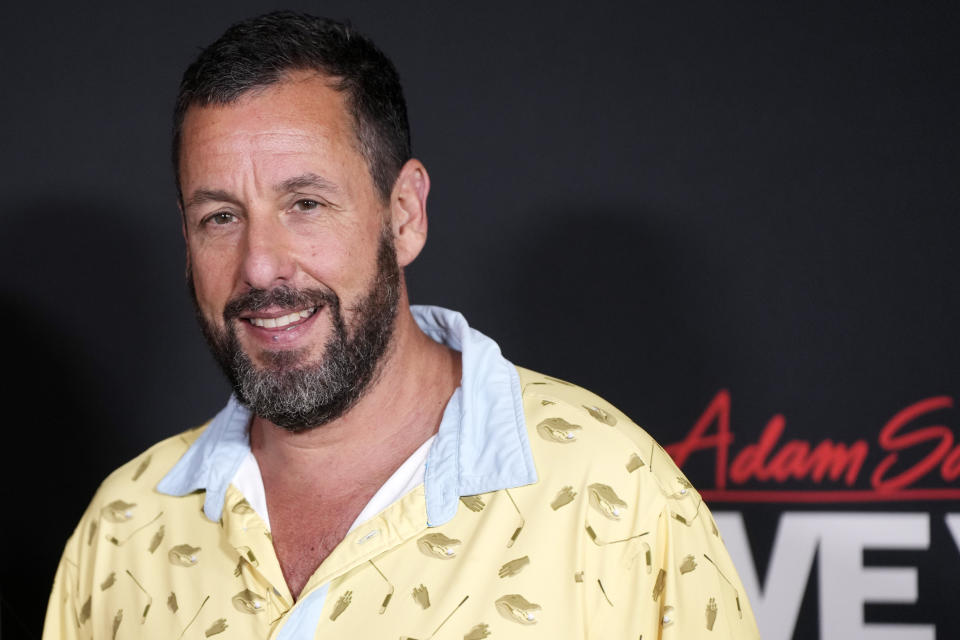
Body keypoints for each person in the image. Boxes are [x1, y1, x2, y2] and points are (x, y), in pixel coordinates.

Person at [42, 11, 760, 639]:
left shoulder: (618, 497)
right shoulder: (123, 529)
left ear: (405, 214)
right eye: (220, 218)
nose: (260, 267)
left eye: (307, 204)